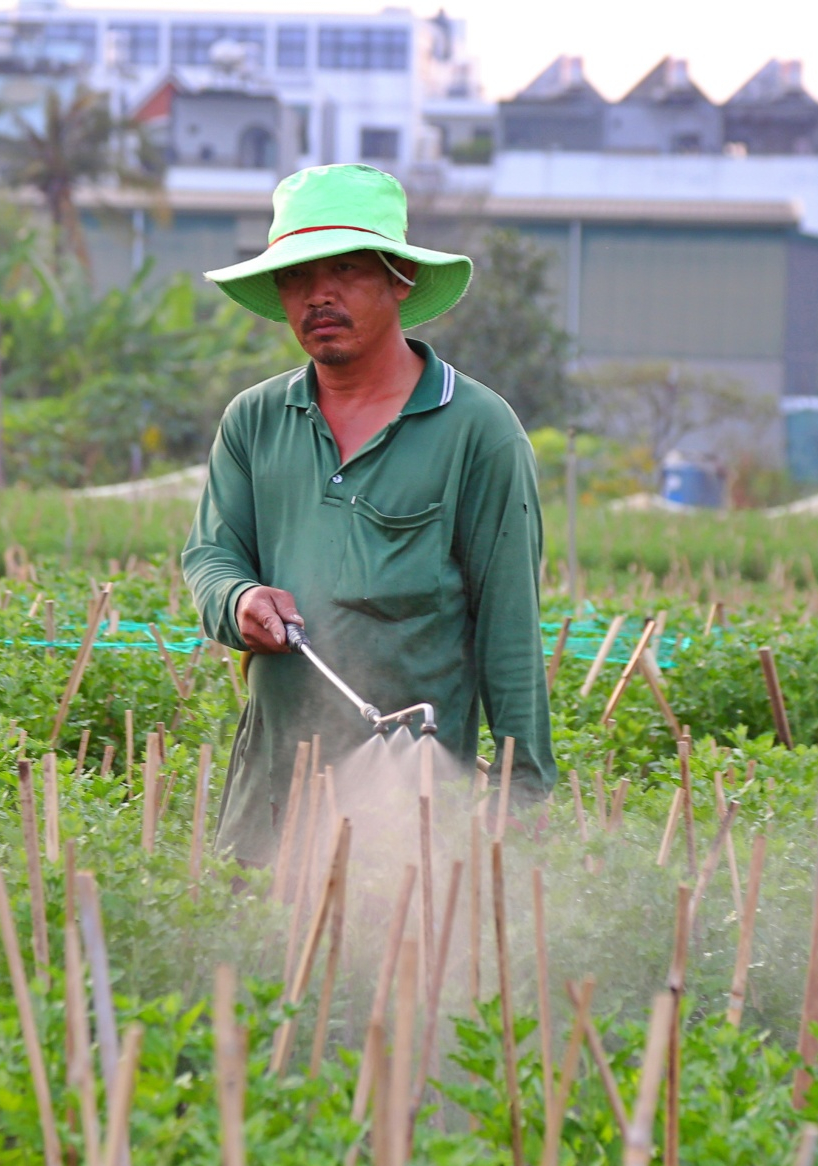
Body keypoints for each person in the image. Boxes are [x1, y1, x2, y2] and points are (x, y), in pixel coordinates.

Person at [182, 163, 555, 864]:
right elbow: (211, 554)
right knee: (256, 968)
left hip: (406, 809)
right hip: (268, 797)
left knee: (393, 961)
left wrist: (522, 791)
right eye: (296, 277)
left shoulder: (477, 431)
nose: (318, 296)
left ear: (399, 280)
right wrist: (238, 600)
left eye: (346, 270)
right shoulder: (255, 421)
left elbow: (510, 627)